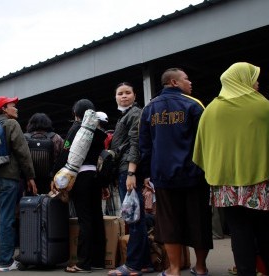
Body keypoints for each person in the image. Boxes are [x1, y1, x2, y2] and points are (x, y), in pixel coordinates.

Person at [193, 62, 269, 276]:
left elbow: (201, 148)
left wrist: (220, 167)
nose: (257, 82)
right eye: (254, 78)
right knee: (267, 230)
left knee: (239, 232)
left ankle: (245, 271)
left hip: (225, 184)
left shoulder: (212, 109)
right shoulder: (260, 105)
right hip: (261, 180)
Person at [139, 68, 212, 276]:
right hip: (195, 175)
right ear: (173, 82)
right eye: (186, 79)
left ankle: (173, 269)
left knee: (169, 223)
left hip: (163, 177)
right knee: (198, 221)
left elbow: (145, 146)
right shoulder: (194, 105)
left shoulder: (149, 109)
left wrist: (147, 174)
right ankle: (200, 267)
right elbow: (205, 141)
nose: (190, 83)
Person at [51, 99, 108, 273]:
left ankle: (83, 263)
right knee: (96, 217)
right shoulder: (99, 132)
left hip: (80, 176)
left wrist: (54, 174)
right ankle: (98, 260)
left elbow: (66, 153)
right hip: (94, 176)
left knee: (85, 219)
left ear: (76, 113)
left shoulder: (77, 128)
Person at [0, 96, 37, 272]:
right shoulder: (12, 125)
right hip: (8, 177)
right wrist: (30, 176)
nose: (16, 109)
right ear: (4, 109)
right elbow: (22, 152)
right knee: (6, 218)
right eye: (13, 106)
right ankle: (5, 262)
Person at [107, 83, 153, 276]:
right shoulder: (126, 116)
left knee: (134, 218)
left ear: (135, 96)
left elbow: (136, 143)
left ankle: (133, 265)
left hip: (128, 170)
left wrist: (132, 173)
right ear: (115, 97)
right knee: (137, 217)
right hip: (128, 170)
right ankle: (144, 263)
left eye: (127, 93)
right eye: (120, 93)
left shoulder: (135, 114)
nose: (123, 96)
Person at [25, 112, 64, 194]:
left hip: (30, 181)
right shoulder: (56, 138)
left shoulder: (25, 138)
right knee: (49, 203)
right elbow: (62, 158)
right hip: (51, 180)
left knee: (29, 204)